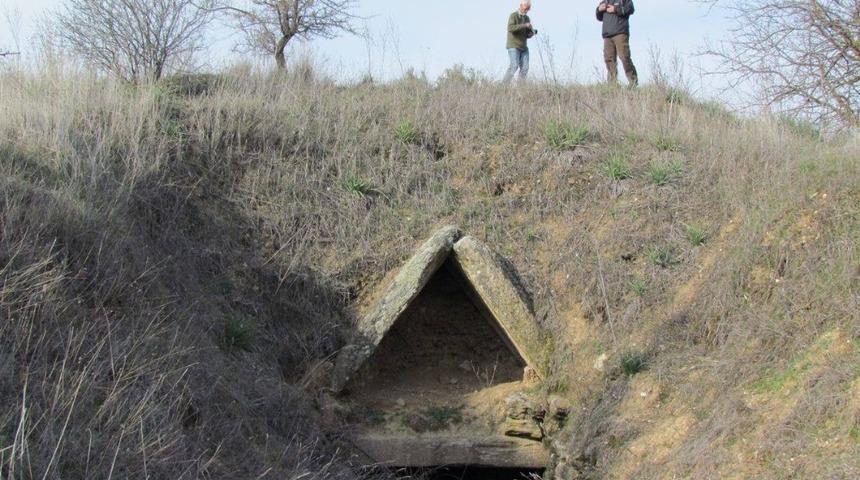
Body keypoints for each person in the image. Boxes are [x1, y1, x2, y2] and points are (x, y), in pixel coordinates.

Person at [596, 1, 638, 86]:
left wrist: (615, 9)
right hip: (607, 35)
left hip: (620, 32)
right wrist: (599, 10)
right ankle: (612, 85)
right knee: (609, 59)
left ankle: (633, 82)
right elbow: (599, 17)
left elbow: (630, 9)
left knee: (624, 57)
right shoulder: (604, 1)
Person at [504, 1, 537, 84]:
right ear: (521, 6)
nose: (527, 11)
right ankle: (503, 85)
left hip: (524, 47)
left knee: (525, 68)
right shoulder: (513, 16)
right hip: (513, 46)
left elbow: (526, 35)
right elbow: (510, 28)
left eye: (528, 9)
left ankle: (520, 87)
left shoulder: (527, 18)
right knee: (514, 66)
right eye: (526, 8)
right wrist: (524, 25)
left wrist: (531, 33)